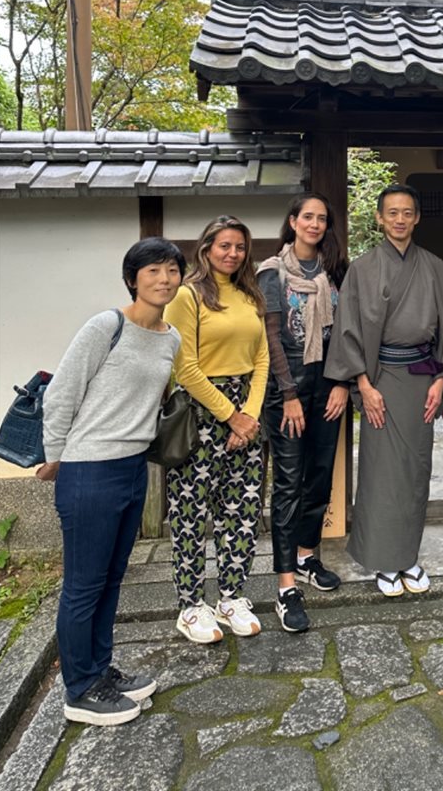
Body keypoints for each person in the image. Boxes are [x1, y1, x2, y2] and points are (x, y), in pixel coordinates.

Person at [37, 238, 185, 725]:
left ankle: (100, 670)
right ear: (132, 279)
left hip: (132, 466)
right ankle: (79, 690)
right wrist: (55, 456)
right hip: (89, 469)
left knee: (112, 578)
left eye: (171, 270)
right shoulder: (108, 326)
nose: (164, 279)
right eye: (153, 271)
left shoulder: (170, 338)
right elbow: (61, 392)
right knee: (84, 584)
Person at [325, 184, 443, 597]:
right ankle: (383, 559)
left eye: (407, 213)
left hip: (421, 380)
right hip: (380, 378)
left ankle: (409, 557)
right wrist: (363, 384)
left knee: (416, 470)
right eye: (392, 213)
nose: (400, 219)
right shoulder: (362, 269)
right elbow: (347, 329)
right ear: (380, 218)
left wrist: (440, 379)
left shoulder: (434, 266)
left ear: (417, 218)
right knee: (382, 472)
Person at [164, 215, 269, 644]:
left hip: (247, 410)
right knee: (191, 512)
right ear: (206, 248)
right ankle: (190, 605)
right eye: (224, 245)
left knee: (241, 511)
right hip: (200, 411)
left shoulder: (249, 294)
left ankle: (231, 596)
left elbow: (261, 358)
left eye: (240, 247)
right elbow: (183, 365)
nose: (232, 253)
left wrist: (249, 416)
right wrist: (231, 415)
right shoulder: (186, 296)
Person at [257, 193, 350, 633]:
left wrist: (340, 384)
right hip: (288, 389)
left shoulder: (332, 271)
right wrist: (289, 393)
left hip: (326, 386)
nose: (314, 224)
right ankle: (285, 586)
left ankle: (308, 554)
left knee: (318, 475)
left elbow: (343, 334)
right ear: (292, 221)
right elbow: (272, 337)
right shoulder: (272, 273)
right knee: (289, 483)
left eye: (321, 218)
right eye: (307, 217)